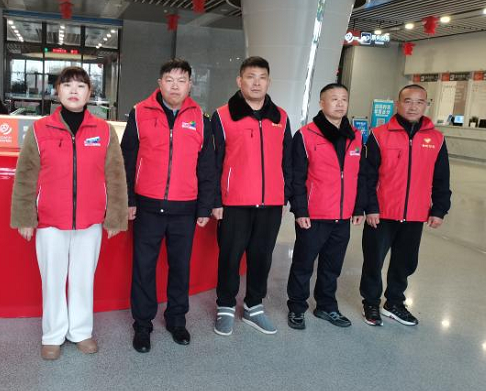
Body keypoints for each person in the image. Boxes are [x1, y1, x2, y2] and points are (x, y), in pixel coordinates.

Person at [10, 66, 128, 360]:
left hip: (90, 220)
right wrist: (25, 217)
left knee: (83, 279)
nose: (74, 91)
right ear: (57, 91)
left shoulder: (104, 131)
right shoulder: (40, 130)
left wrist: (115, 215)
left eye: (81, 86)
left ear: (90, 93)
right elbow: (25, 175)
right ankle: (52, 334)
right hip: (50, 220)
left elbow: (115, 175)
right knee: (52, 280)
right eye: (67, 85)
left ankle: (81, 331)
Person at [121, 59, 216, 353]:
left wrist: (205, 206)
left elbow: (207, 166)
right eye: (170, 80)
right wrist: (129, 199)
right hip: (147, 207)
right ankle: (143, 324)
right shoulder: (139, 113)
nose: (175, 86)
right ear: (160, 83)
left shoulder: (201, 118)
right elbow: (126, 160)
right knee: (143, 267)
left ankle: (177, 320)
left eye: (182, 80)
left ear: (190, 85)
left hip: (184, 208)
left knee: (180, 268)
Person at [211, 56, 292, 336]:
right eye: (250, 77)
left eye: (262, 77)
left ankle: (254, 306)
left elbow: (288, 160)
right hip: (234, 202)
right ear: (239, 80)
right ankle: (225, 306)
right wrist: (216, 200)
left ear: (269, 82)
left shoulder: (281, 117)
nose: (256, 83)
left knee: (262, 257)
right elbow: (213, 161)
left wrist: (284, 195)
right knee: (230, 257)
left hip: (270, 203)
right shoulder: (222, 116)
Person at [359, 84, 451, 327]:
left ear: (426, 105)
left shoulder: (436, 139)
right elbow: (367, 175)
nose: (413, 106)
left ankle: (394, 303)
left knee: (405, 262)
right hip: (382, 213)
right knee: (373, 260)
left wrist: (439, 209)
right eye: (408, 101)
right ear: (398, 104)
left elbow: (442, 177)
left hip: (415, 214)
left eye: (419, 102)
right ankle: (371, 302)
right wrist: (371, 207)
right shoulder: (379, 134)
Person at [286, 83, 365, 330]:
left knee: (332, 266)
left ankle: (326, 306)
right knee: (303, 264)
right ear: (321, 103)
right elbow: (296, 177)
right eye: (334, 99)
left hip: (342, 215)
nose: (340, 104)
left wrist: (358, 208)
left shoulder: (356, 136)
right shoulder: (306, 135)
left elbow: (360, 176)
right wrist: (300, 210)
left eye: (344, 99)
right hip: (314, 214)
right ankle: (296, 307)